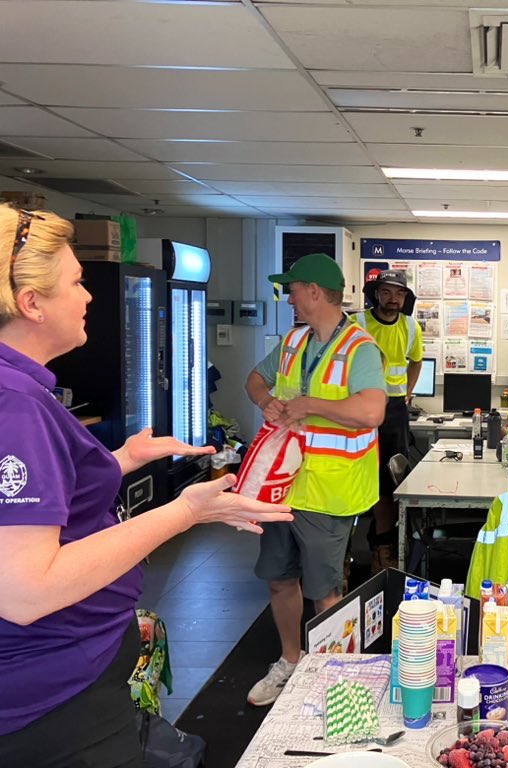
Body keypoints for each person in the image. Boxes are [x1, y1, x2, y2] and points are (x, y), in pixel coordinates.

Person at [0, 206, 292, 767]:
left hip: (70, 679)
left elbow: (41, 506)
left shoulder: (22, 393)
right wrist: (184, 513)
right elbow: (25, 590)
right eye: (77, 282)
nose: (88, 296)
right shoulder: (15, 404)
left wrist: (120, 460)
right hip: (51, 699)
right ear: (32, 303)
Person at [244, 253, 386, 706]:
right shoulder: (292, 342)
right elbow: (253, 380)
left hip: (329, 491)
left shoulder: (360, 348)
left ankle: (338, 680)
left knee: (326, 592)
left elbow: (371, 411)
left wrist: (311, 404)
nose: (288, 298)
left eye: (292, 289)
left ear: (314, 292)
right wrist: (266, 399)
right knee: (279, 579)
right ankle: (290, 660)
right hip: (282, 487)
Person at [350, 269, 422, 572]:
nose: (393, 299)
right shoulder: (357, 323)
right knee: (351, 479)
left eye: (399, 293)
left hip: (393, 411)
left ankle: (383, 551)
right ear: (376, 294)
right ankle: (343, 555)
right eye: (387, 292)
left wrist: (407, 394)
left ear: (406, 298)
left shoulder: (410, 326)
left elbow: (416, 361)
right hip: (357, 409)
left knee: (387, 483)